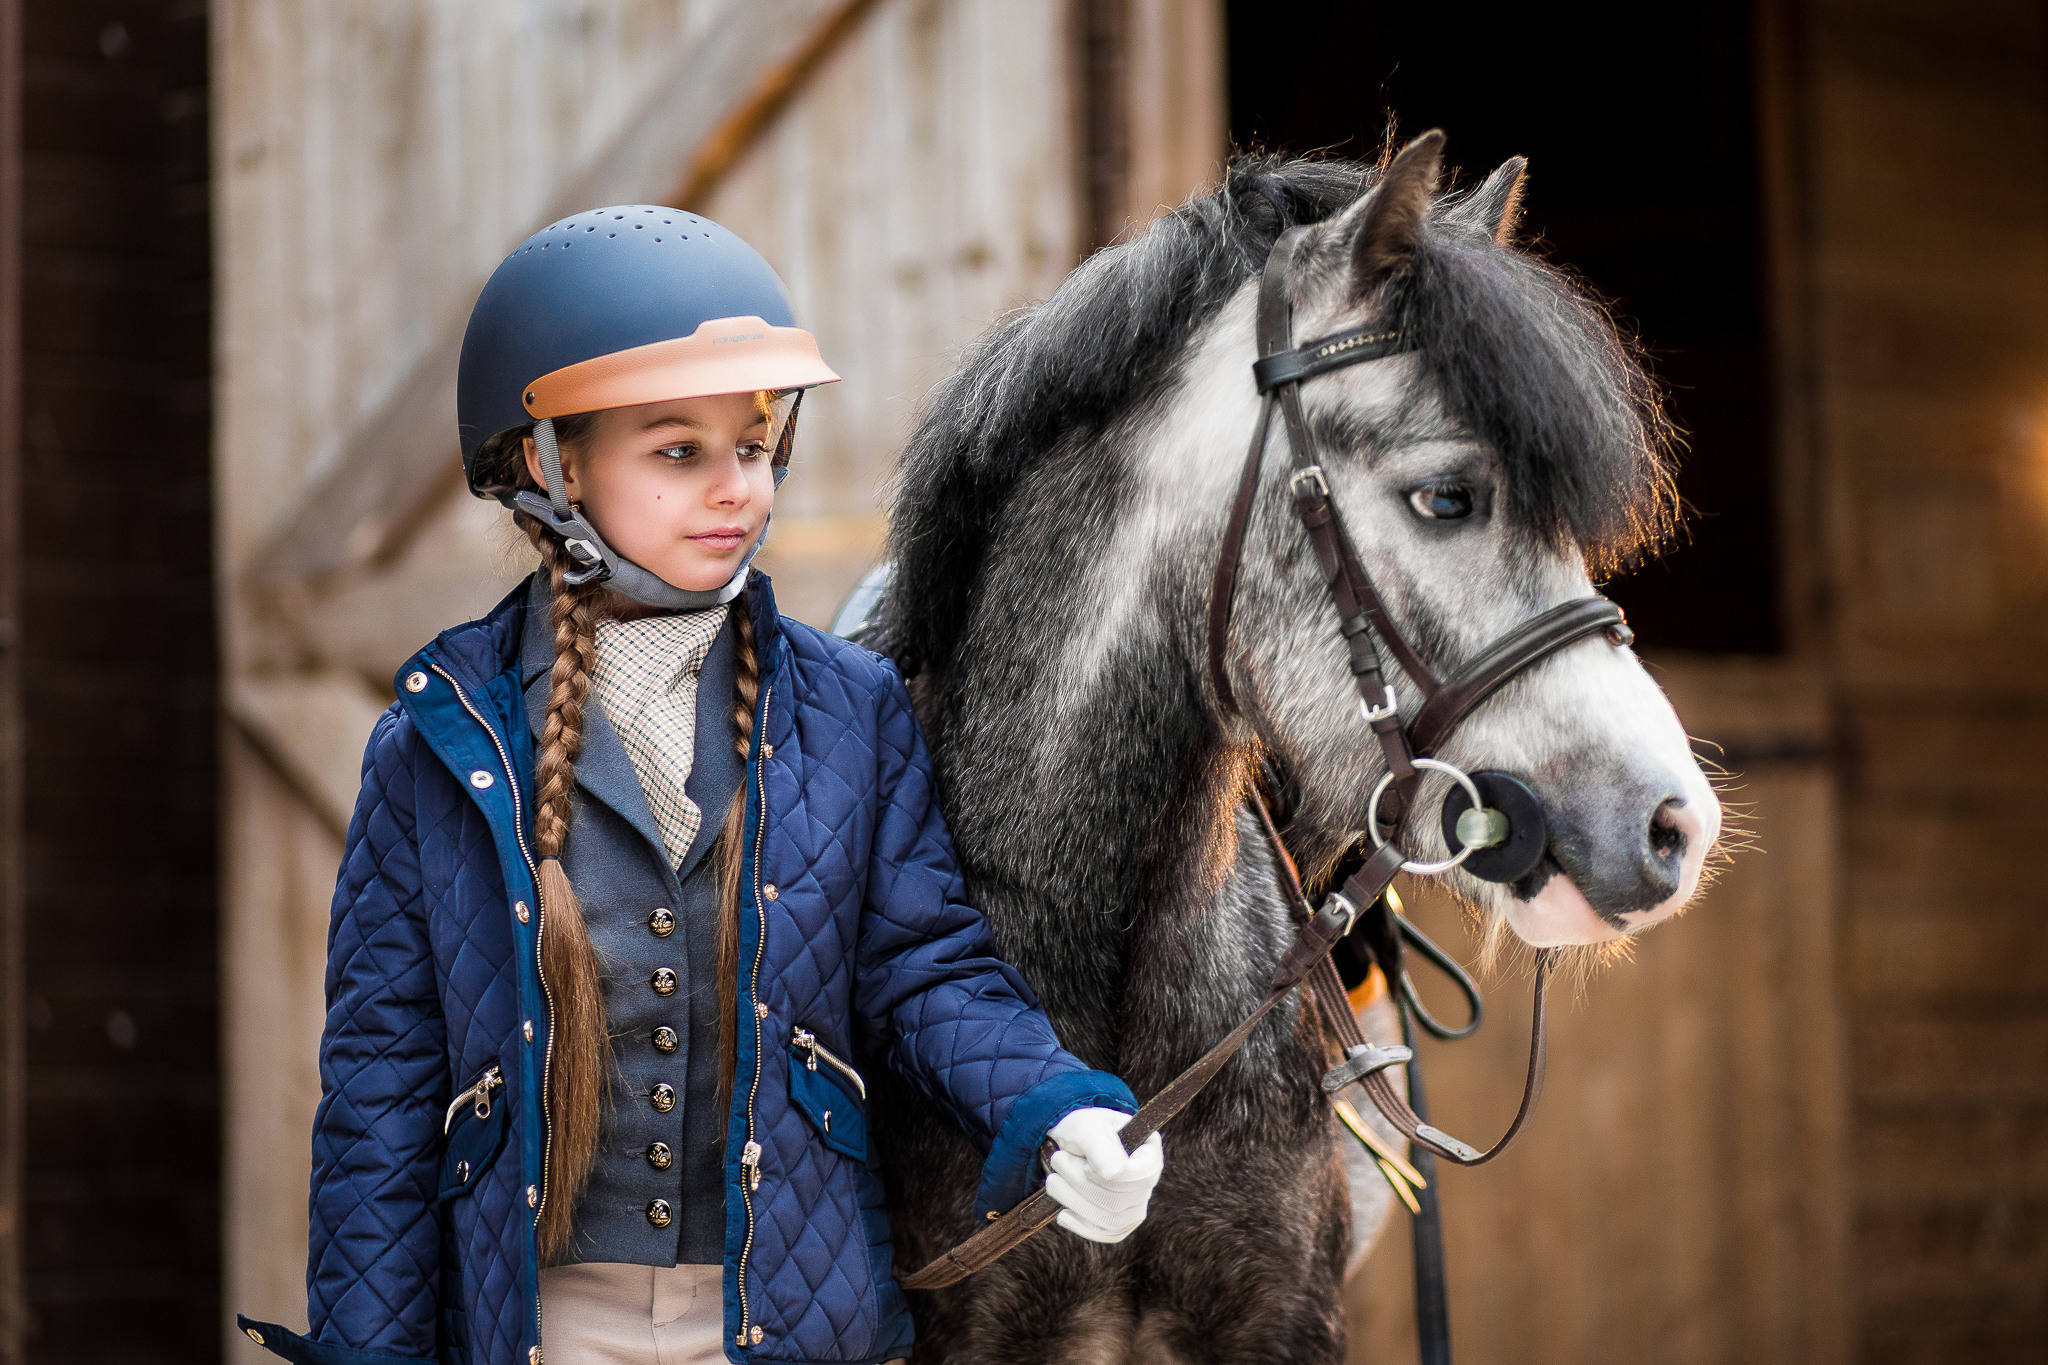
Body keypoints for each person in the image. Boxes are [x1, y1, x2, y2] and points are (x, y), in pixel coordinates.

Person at [236, 206, 1164, 1365]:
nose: (738, 488)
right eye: (678, 451)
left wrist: (1058, 1105)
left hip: (789, 1326)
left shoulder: (852, 710)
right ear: (546, 464)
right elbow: (378, 1093)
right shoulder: (436, 742)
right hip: (543, 1331)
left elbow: (926, 967)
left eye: (757, 444)